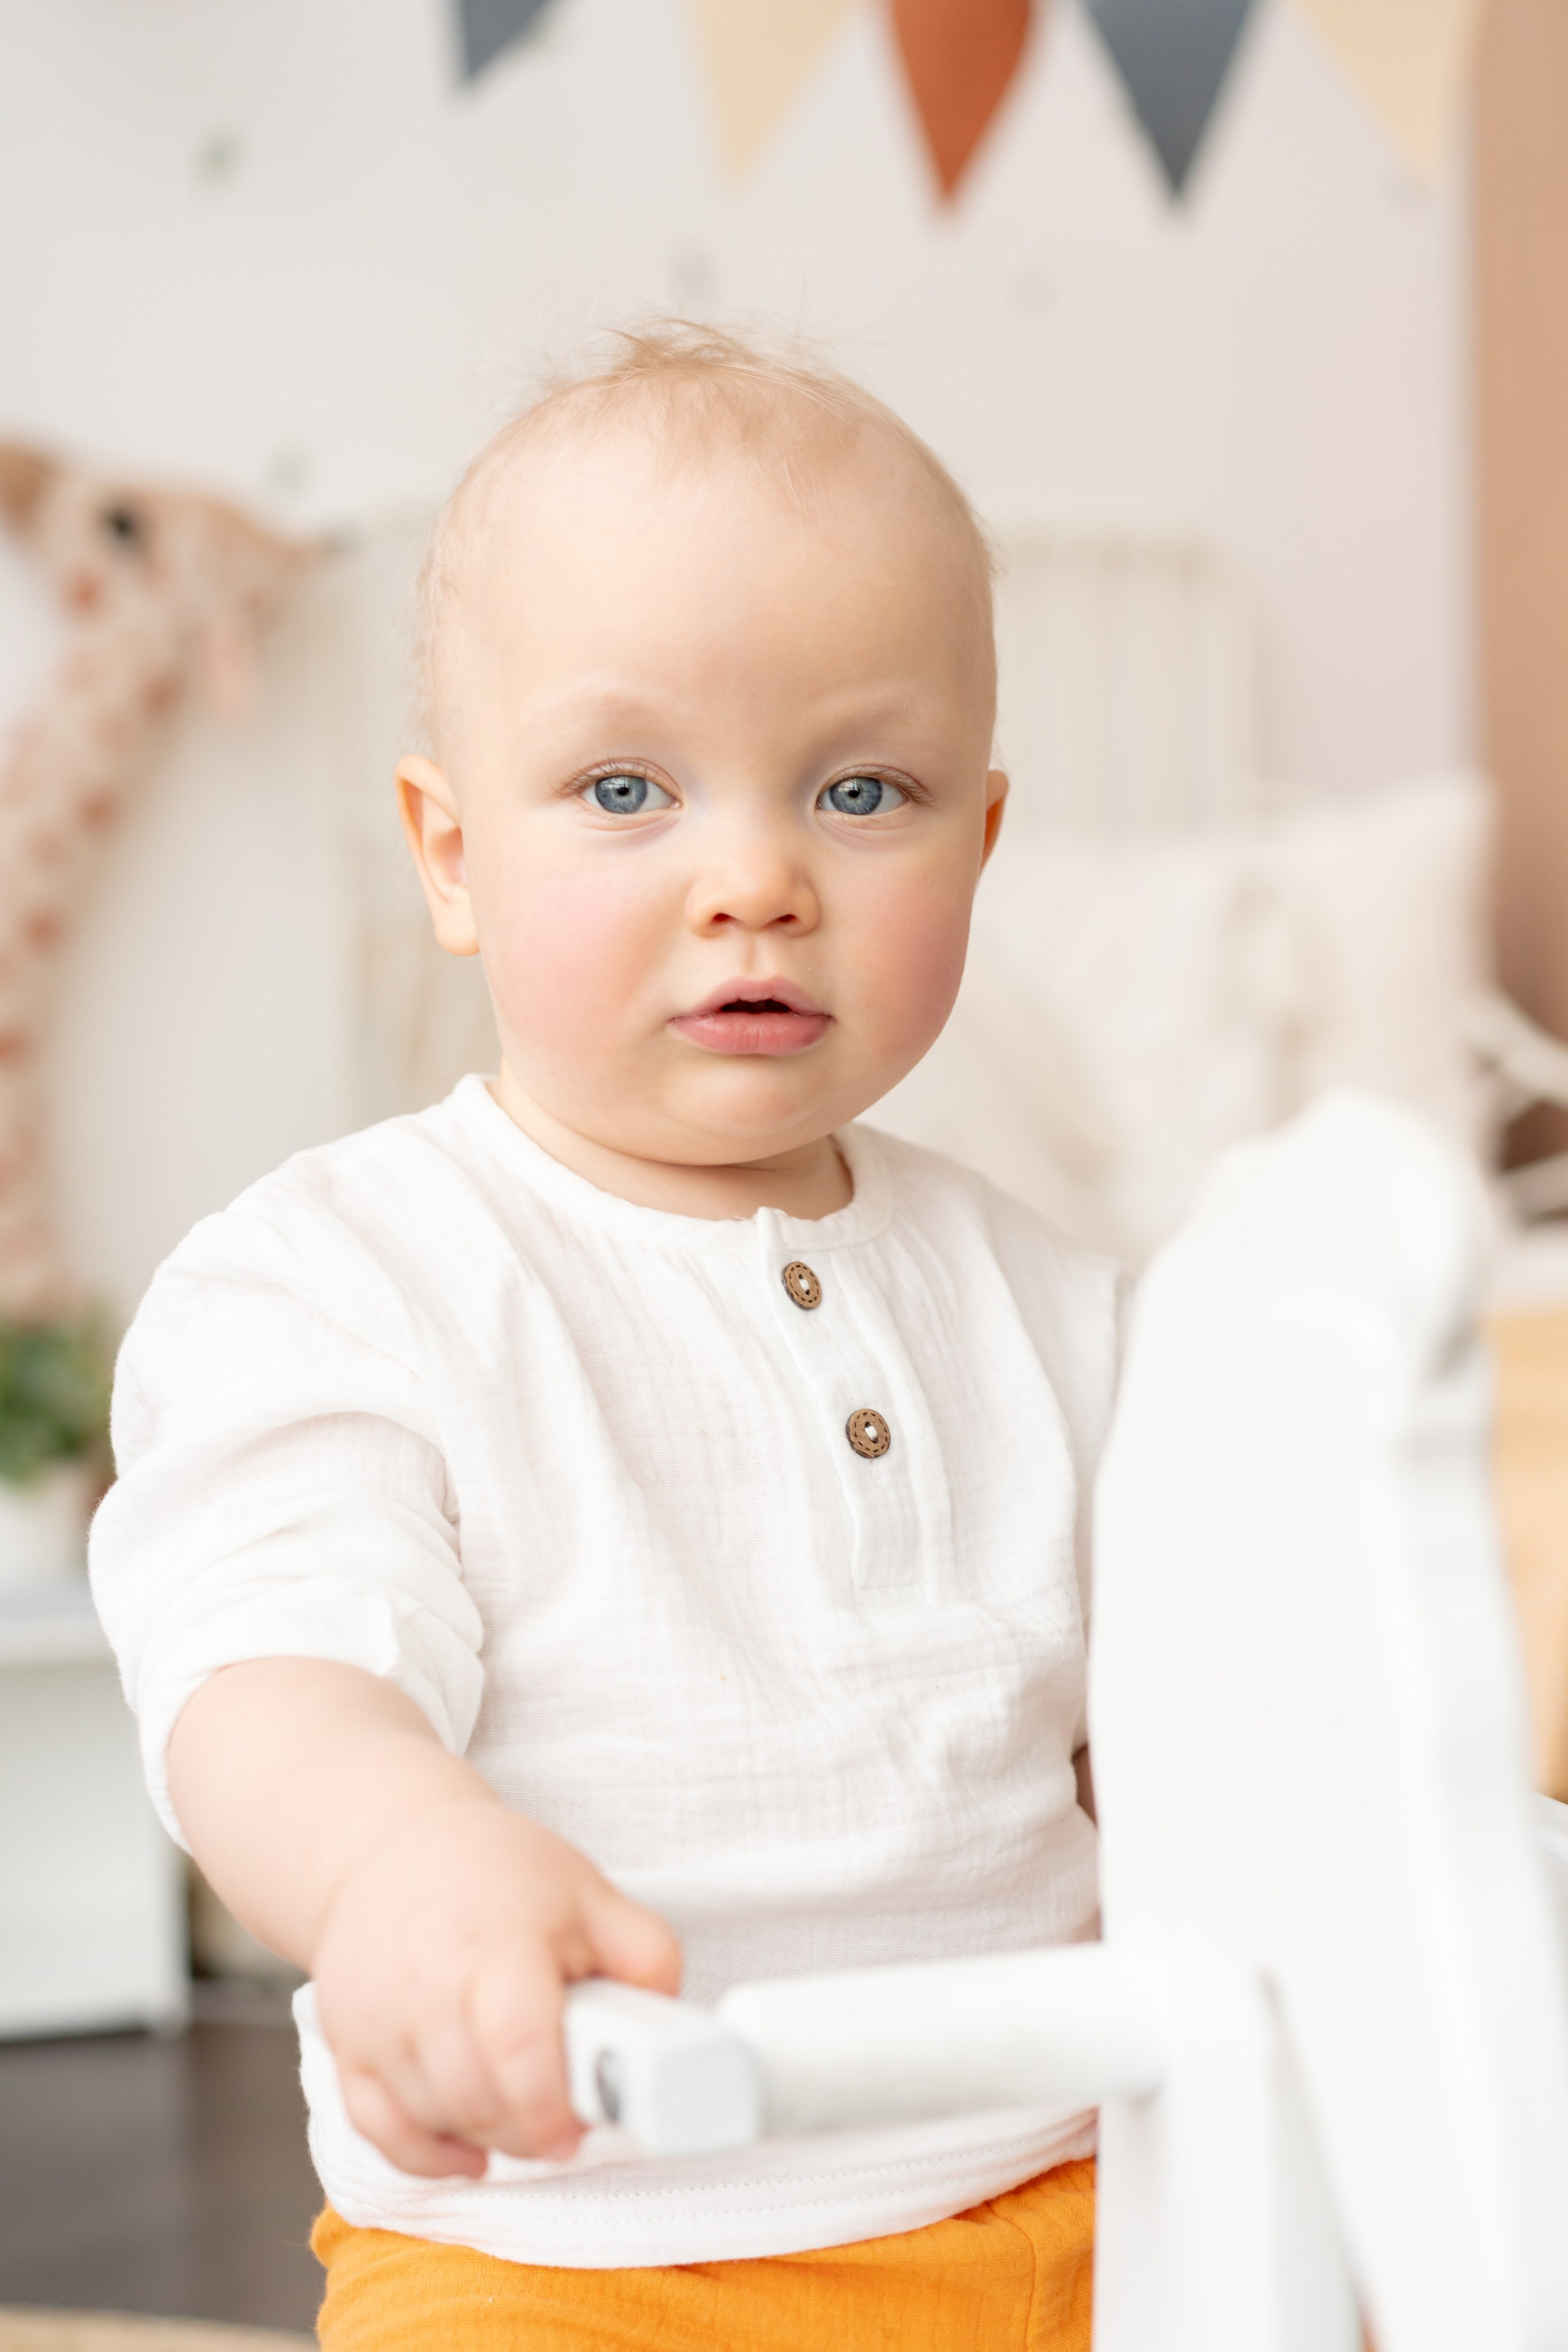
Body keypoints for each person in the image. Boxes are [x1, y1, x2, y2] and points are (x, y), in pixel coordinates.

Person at [90, 323, 1120, 2350]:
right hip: (566, 2251)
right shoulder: (339, 1278)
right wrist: (398, 1866)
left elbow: (1183, 1713)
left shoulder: (1056, 1299)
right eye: (627, 788)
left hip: (1069, 2203)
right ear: (454, 853)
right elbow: (265, 1665)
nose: (756, 879)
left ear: (980, 848)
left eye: (862, 789)